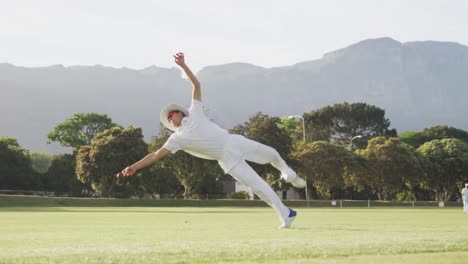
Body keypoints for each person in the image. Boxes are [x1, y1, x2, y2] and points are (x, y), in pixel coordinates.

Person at [118, 52, 306, 229]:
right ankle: (286, 214)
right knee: (259, 187)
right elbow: (155, 155)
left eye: (171, 115)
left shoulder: (195, 112)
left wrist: (183, 65)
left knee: (272, 153)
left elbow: (196, 85)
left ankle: (288, 173)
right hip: (226, 160)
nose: (169, 119)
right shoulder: (176, 139)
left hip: (232, 142)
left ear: (179, 112)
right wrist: (134, 167)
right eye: (167, 119)